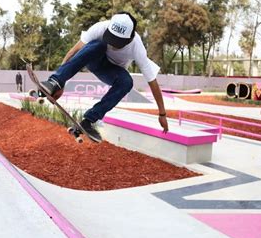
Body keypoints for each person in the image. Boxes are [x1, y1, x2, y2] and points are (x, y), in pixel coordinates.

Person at [39, 12, 168, 142]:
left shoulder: (137, 47)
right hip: (94, 59)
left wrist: (162, 114)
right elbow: (73, 52)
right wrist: (61, 82)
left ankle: (88, 121)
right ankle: (55, 81)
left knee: (127, 82)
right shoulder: (100, 28)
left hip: (111, 71)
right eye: (111, 38)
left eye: (118, 42)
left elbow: (152, 82)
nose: (113, 45)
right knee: (99, 45)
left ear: (130, 38)